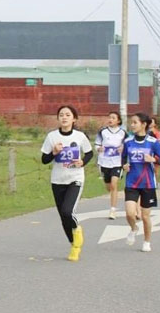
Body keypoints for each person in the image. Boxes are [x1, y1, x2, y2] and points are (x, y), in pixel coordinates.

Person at [41, 105, 93, 262]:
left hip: (75, 178)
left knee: (67, 211)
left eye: (68, 115)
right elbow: (44, 160)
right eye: (61, 115)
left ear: (74, 118)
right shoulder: (51, 137)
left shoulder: (80, 136)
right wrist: (54, 152)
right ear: (58, 118)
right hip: (57, 180)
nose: (64, 117)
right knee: (63, 217)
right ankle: (73, 244)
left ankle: (77, 233)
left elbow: (89, 153)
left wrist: (82, 162)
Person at [122, 113, 160, 253]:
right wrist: (124, 165)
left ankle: (147, 242)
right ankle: (134, 228)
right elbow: (123, 158)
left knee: (145, 216)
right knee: (130, 213)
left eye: (135, 122)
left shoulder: (153, 142)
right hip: (132, 182)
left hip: (148, 183)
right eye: (131, 122)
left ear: (143, 124)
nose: (132, 125)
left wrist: (153, 160)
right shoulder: (128, 141)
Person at [94, 111, 126, 219]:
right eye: (109, 117)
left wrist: (123, 148)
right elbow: (97, 144)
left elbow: (128, 145)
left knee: (114, 184)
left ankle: (113, 210)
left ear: (118, 120)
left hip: (117, 162)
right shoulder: (102, 132)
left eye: (113, 118)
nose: (110, 119)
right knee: (109, 186)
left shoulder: (123, 133)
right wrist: (99, 148)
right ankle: (114, 194)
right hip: (104, 162)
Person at [148, 117, 160, 182]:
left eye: (151, 122)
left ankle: (155, 182)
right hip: (147, 152)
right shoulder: (145, 131)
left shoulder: (157, 133)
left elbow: (159, 143)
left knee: (155, 169)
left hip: (155, 153)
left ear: (154, 124)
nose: (150, 123)